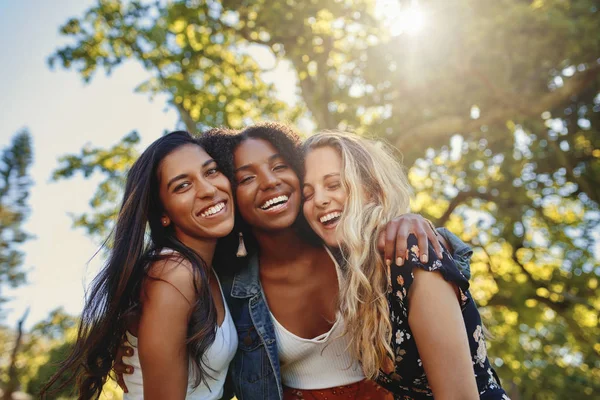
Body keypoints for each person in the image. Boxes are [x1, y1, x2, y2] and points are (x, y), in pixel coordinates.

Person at [115, 122, 472, 400]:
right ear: (234, 195)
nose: (269, 182)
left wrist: (410, 221)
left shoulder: (350, 247)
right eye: (247, 178)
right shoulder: (226, 287)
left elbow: (433, 271)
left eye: (280, 166)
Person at [301, 131, 509, 399]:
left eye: (333, 185)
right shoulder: (353, 274)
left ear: (371, 188)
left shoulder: (411, 255)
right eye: (308, 194)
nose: (319, 200)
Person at [41, 131, 238, 399]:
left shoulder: (207, 269)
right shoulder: (174, 273)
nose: (208, 189)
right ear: (162, 214)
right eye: (182, 186)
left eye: (211, 171)